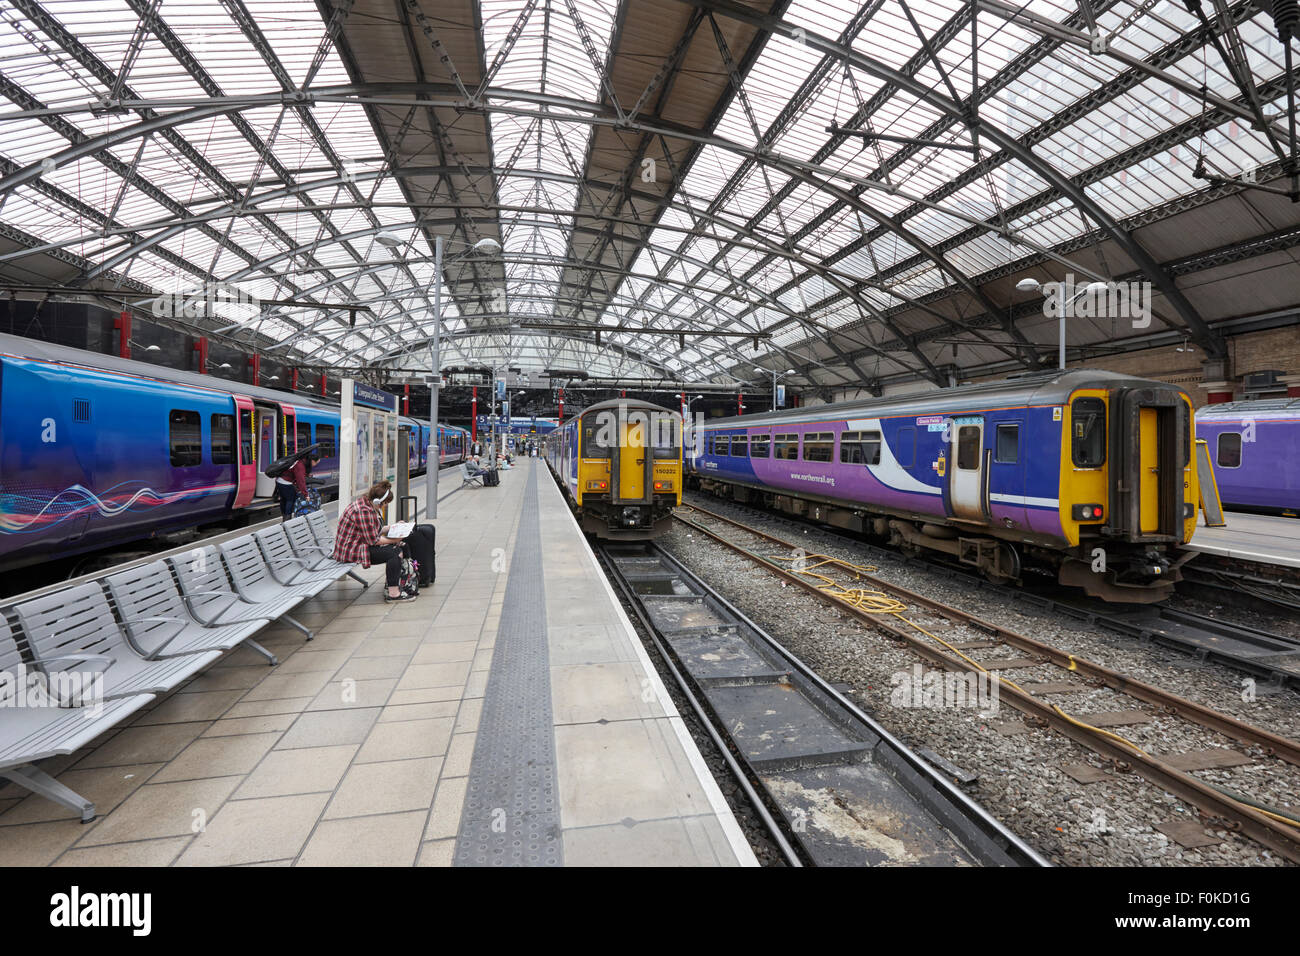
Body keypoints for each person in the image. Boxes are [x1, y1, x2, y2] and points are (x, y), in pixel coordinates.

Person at [333, 480, 415, 602]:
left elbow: (374, 530)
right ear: (378, 501)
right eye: (385, 503)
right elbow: (373, 540)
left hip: (358, 544)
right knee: (394, 552)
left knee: (401, 546)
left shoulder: (366, 504)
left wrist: (394, 527)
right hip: (351, 550)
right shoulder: (363, 511)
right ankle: (393, 594)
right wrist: (394, 539)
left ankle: (400, 583)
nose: (385, 506)